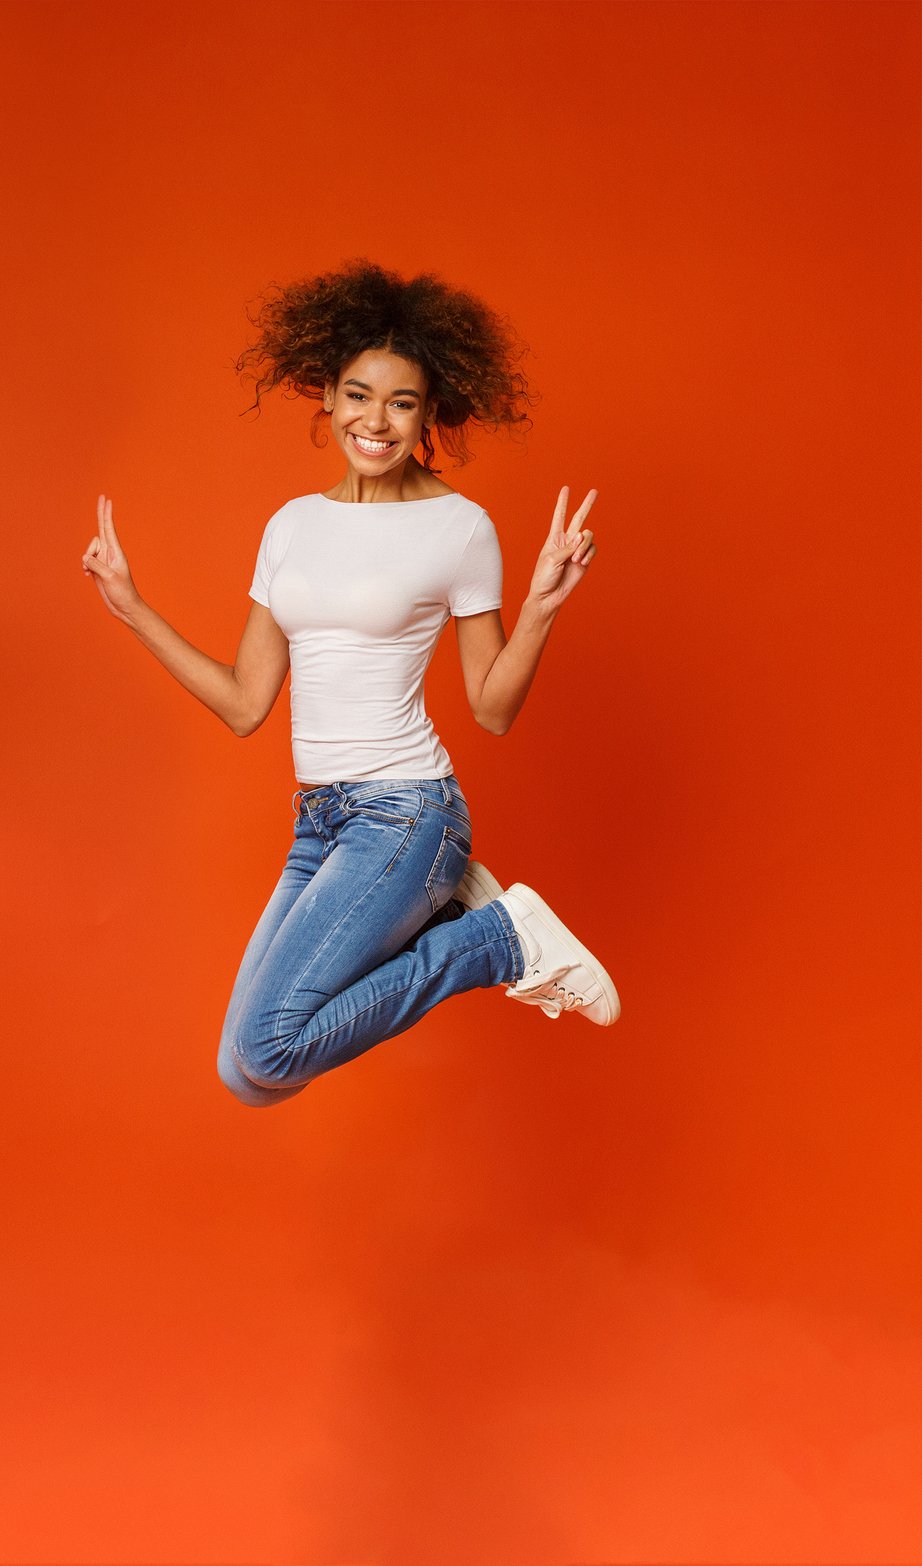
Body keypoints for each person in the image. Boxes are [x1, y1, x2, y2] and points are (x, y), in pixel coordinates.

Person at [80, 260, 617, 1110]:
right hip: (322, 821)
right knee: (246, 1075)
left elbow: (493, 709)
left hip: (406, 812)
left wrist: (544, 606)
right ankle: (458, 920)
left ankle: (494, 944)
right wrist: (131, 607)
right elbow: (246, 705)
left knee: (272, 1043)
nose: (376, 420)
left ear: (427, 413)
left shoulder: (457, 527)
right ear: (326, 395)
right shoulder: (292, 525)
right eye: (359, 395)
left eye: (401, 402)